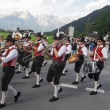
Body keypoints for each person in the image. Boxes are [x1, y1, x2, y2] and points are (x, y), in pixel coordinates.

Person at [0, 34, 21, 108]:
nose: (6, 42)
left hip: (10, 69)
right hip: (6, 68)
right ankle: (16, 93)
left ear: (11, 42)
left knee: (4, 86)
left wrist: (1, 57)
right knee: (5, 84)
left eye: (7, 41)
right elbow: (3, 55)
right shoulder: (8, 49)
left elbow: (5, 59)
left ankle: (2, 102)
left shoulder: (14, 51)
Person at [46, 33, 66, 102]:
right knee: (48, 78)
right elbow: (51, 55)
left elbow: (58, 55)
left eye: (57, 40)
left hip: (59, 64)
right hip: (53, 63)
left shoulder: (63, 47)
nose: (55, 41)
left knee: (56, 80)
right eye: (55, 39)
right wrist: (46, 52)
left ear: (60, 40)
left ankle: (55, 96)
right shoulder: (54, 46)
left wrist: (54, 48)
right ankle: (59, 88)